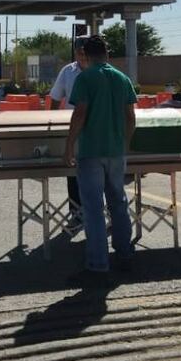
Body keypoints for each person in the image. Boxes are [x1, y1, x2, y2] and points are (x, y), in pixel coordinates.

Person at [63, 35, 137, 282]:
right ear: (107, 53)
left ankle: (97, 264)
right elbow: (130, 117)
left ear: (85, 53)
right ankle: (125, 254)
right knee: (118, 202)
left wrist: (69, 145)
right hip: (116, 152)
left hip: (91, 152)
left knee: (93, 208)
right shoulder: (122, 78)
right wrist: (124, 143)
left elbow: (80, 113)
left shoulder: (85, 78)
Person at [49, 36, 90, 227]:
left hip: (95, 127)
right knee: (73, 172)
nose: (83, 56)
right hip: (73, 127)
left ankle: (99, 213)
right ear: (75, 52)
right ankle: (76, 213)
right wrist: (52, 121)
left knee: (96, 174)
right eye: (80, 52)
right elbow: (56, 97)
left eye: (86, 52)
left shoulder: (101, 70)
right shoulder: (67, 72)